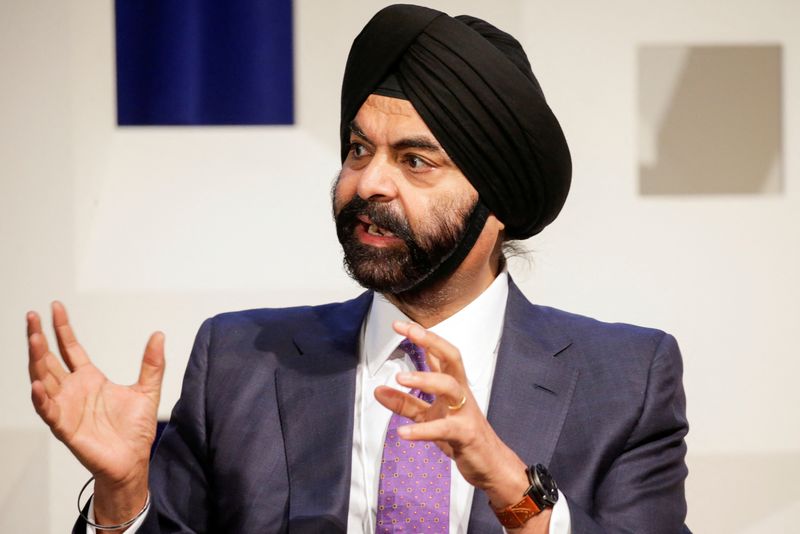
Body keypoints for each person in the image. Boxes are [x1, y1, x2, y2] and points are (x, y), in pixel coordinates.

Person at [27, 4, 689, 533]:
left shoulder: (625, 382)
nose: (367, 182)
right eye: (357, 148)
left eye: (415, 161)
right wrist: (122, 496)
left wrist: (514, 489)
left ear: (500, 206)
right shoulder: (240, 363)